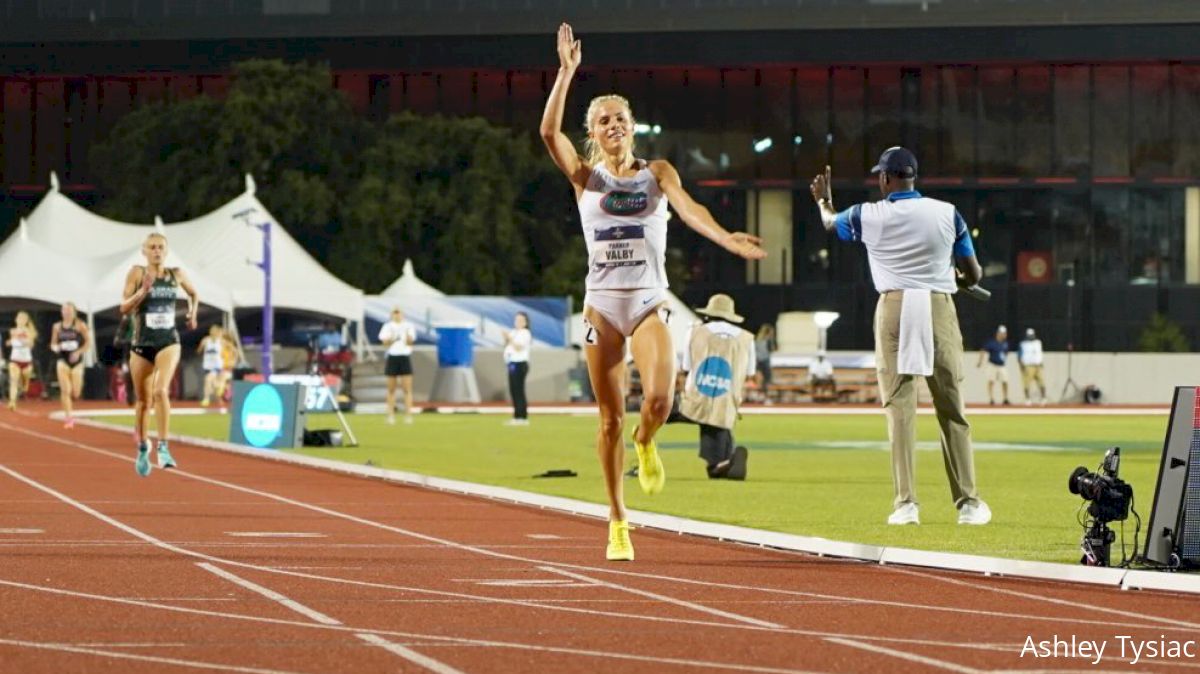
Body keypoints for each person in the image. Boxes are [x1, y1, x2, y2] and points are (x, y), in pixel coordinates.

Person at [541, 23, 766, 560]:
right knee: (609, 418)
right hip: (602, 305)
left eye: (620, 117)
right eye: (602, 120)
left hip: (647, 300)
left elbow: (689, 210)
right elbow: (550, 135)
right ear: (593, 133)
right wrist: (566, 73)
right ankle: (618, 521)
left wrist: (725, 238)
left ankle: (647, 443)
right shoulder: (585, 179)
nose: (613, 125)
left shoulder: (656, 172)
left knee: (661, 399)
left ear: (633, 126)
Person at [810, 146, 991, 526]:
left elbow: (830, 224)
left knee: (899, 411)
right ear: (913, 177)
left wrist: (825, 201)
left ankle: (906, 504)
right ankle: (970, 503)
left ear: (886, 179)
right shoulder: (947, 213)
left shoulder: (869, 213)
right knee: (952, 409)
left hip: (893, 307)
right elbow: (973, 274)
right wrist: (958, 280)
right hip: (938, 305)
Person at [120, 232, 198, 477]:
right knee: (144, 403)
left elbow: (194, 294)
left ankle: (164, 447)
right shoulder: (137, 273)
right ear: (144, 251)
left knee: (160, 390)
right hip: (142, 344)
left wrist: (192, 313)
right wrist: (142, 292)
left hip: (168, 341)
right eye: (152, 247)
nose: (156, 251)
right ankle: (144, 447)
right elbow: (123, 307)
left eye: (160, 247)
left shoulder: (176, 274)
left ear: (166, 251)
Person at [668, 294, 754, 480]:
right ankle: (722, 463)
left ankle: (643, 448)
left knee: (656, 410)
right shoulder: (747, 339)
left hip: (695, 398)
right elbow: (749, 372)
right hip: (725, 402)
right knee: (717, 422)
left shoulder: (695, 332)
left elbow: (686, 367)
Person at [50, 302, 91, 428]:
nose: (66, 312)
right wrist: (55, 347)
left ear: (74, 312)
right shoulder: (57, 326)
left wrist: (78, 352)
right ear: (61, 312)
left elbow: (88, 343)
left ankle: (73, 401)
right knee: (65, 390)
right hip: (62, 361)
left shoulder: (80, 325)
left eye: (69, 310)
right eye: (64, 310)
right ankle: (68, 418)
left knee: (76, 393)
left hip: (76, 362)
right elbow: (53, 343)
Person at [378, 307, 416, 425]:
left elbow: (411, 341)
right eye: (395, 313)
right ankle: (390, 415)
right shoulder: (387, 326)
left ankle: (408, 415)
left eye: (398, 313)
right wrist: (393, 339)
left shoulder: (408, 326)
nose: (397, 315)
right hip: (393, 356)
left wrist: (406, 338)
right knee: (391, 389)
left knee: (407, 389)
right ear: (391, 315)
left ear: (402, 314)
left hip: (404, 356)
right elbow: (384, 343)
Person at [503, 311, 532, 426]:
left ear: (525, 322)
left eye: (520, 320)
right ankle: (516, 416)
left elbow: (519, 347)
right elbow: (508, 346)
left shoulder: (525, 333)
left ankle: (522, 416)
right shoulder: (514, 332)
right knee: (513, 390)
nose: (517, 322)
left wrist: (508, 338)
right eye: (516, 320)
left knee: (519, 390)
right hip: (512, 364)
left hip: (520, 363)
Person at [6, 311, 38, 411]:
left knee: (24, 385)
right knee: (14, 381)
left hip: (26, 360)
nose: (20, 320)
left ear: (26, 321)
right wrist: (11, 341)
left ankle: (25, 384)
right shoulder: (12, 331)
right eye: (19, 318)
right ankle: (12, 402)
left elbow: (31, 344)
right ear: (16, 320)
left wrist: (24, 340)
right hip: (15, 359)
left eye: (22, 318)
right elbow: (8, 343)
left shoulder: (30, 331)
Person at [197, 324, 234, 408]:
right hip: (207, 365)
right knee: (213, 384)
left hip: (216, 365)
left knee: (208, 380)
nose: (213, 333)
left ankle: (206, 399)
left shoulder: (220, 341)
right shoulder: (206, 340)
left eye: (215, 332)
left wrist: (231, 358)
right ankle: (221, 388)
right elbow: (199, 350)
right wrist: (201, 349)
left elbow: (232, 348)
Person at [978, 325, 1010, 405]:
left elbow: (1005, 353)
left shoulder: (1005, 344)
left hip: (1002, 365)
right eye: (1002, 333)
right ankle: (991, 398)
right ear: (998, 333)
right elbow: (983, 350)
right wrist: (980, 361)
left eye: (1005, 333)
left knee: (1005, 381)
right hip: (992, 365)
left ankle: (1005, 398)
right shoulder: (992, 343)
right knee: (991, 381)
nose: (1004, 335)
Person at [1019, 327, 1047, 406]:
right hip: (1028, 366)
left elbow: (1039, 353)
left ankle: (1043, 398)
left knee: (1041, 382)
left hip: (1037, 365)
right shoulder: (1023, 344)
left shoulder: (1038, 342)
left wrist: (1041, 363)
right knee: (1027, 383)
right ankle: (1027, 399)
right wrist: (1022, 365)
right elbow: (1020, 355)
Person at [753, 323, 776, 403]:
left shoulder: (756, 339)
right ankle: (763, 396)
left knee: (761, 380)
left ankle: (760, 396)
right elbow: (772, 349)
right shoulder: (767, 340)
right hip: (764, 360)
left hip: (757, 360)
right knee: (766, 380)